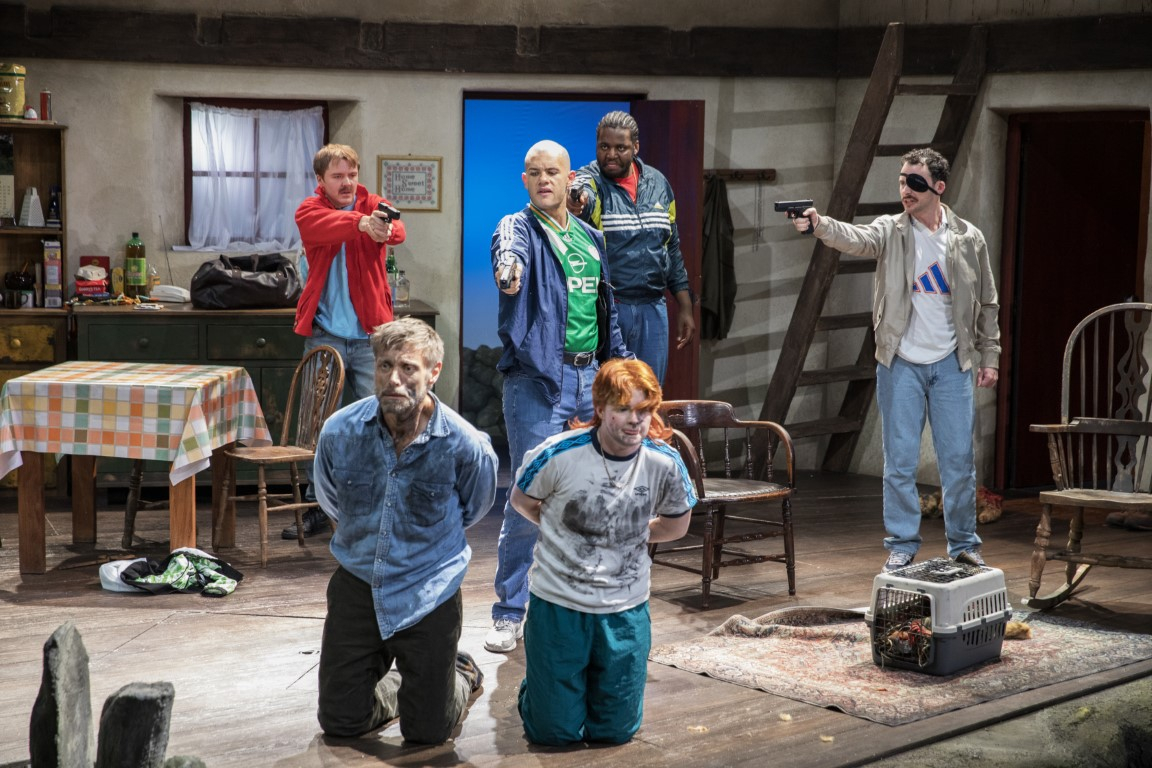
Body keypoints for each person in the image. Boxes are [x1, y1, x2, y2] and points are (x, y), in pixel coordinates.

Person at [788, 148, 1000, 572]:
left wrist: (989, 353)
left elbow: (988, 302)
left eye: (916, 182)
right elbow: (856, 238)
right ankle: (902, 543)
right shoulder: (891, 230)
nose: (906, 189)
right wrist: (818, 225)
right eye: (903, 180)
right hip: (900, 361)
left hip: (952, 363)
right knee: (899, 461)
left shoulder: (967, 237)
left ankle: (963, 543)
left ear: (939, 188)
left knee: (958, 461)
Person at [311, 318, 498, 743]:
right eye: (384, 365)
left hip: (428, 589)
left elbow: (474, 507)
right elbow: (330, 500)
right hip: (358, 584)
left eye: (408, 368)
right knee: (341, 720)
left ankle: (460, 673)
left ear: (434, 372)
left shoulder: (464, 443)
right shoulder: (340, 432)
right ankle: (404, 687)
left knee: (428, 732)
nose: (393, 379)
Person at [486, 139, 632, 654]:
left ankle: (582, 596)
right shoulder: (517, 228)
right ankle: (509, 611)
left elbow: (604, 309)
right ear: (524, 180)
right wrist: (509, 276)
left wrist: (621, 367)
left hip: (590, 378)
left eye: (552, 172)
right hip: (539, 382)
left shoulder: (591, 238)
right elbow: (510, 257)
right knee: (529, 492)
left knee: (594, 489)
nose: (543, 180)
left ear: (570, 179)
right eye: (534, 173)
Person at [510, 357, 695, 745]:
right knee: (552, 733)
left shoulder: (664, 463)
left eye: (644, 411)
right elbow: (521, 501)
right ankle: (540, 690)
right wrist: (561, 528)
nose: (635, 421)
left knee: (616, 732)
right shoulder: (557, 454)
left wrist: (629, 533)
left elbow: (677, 525)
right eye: (623, 409)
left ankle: (574, 692)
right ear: (599, 409)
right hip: (559, 603)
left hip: (624, 607)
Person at [287, 143, 407, 539]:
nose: (347, 182)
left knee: (380, 420)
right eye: (338, 176)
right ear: (321, 180)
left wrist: (383, 226)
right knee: (317, 424)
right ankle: (316, 504)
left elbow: (399, 231)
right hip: (325, 335)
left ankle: (372, 504)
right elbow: (318, 227)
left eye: (351, 175)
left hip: (370, 337)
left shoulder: (372, 202)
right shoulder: (310, 208)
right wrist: (359, 224)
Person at [568, 110, 695, 385]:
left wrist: (685, 305)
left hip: (653, 308)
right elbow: (582, 195)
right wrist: (577, 201)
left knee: (649, 398)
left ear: (635, 148)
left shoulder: (659, 184)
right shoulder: (591, 180)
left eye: (620, 147)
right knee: (608, 397)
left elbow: (671, 246)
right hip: (610, 309)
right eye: (604, 147)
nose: (611, 154)